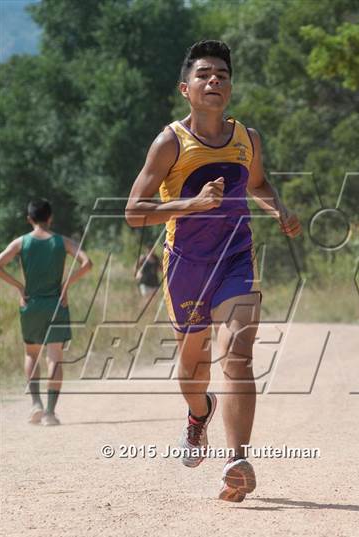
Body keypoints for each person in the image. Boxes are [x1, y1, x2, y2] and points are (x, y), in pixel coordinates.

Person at [125, 40, 301, 502]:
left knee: (237, 355)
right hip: (185, 266)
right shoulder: (170, 142)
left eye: (221, 74)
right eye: (204, 74)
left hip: (236, 260)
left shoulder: (248, 138)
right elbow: (134, 211)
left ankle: (237, 460)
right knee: (193, 370)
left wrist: (278, 208)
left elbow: (258, 183)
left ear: (230, 86)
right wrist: (192, 204)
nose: (214, 80)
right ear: (186, 88)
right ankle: (198, 416)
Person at [0, 199, 92, 425]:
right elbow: (87, 263)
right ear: (50, 218)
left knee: (31, 353)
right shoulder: (61, 241)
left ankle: (36, 405)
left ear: (29, 219)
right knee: (55, 358)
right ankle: (50, 413)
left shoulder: (21, 242)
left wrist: (20, 286)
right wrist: (66, 284)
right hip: (56, 305)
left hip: (30, 304)